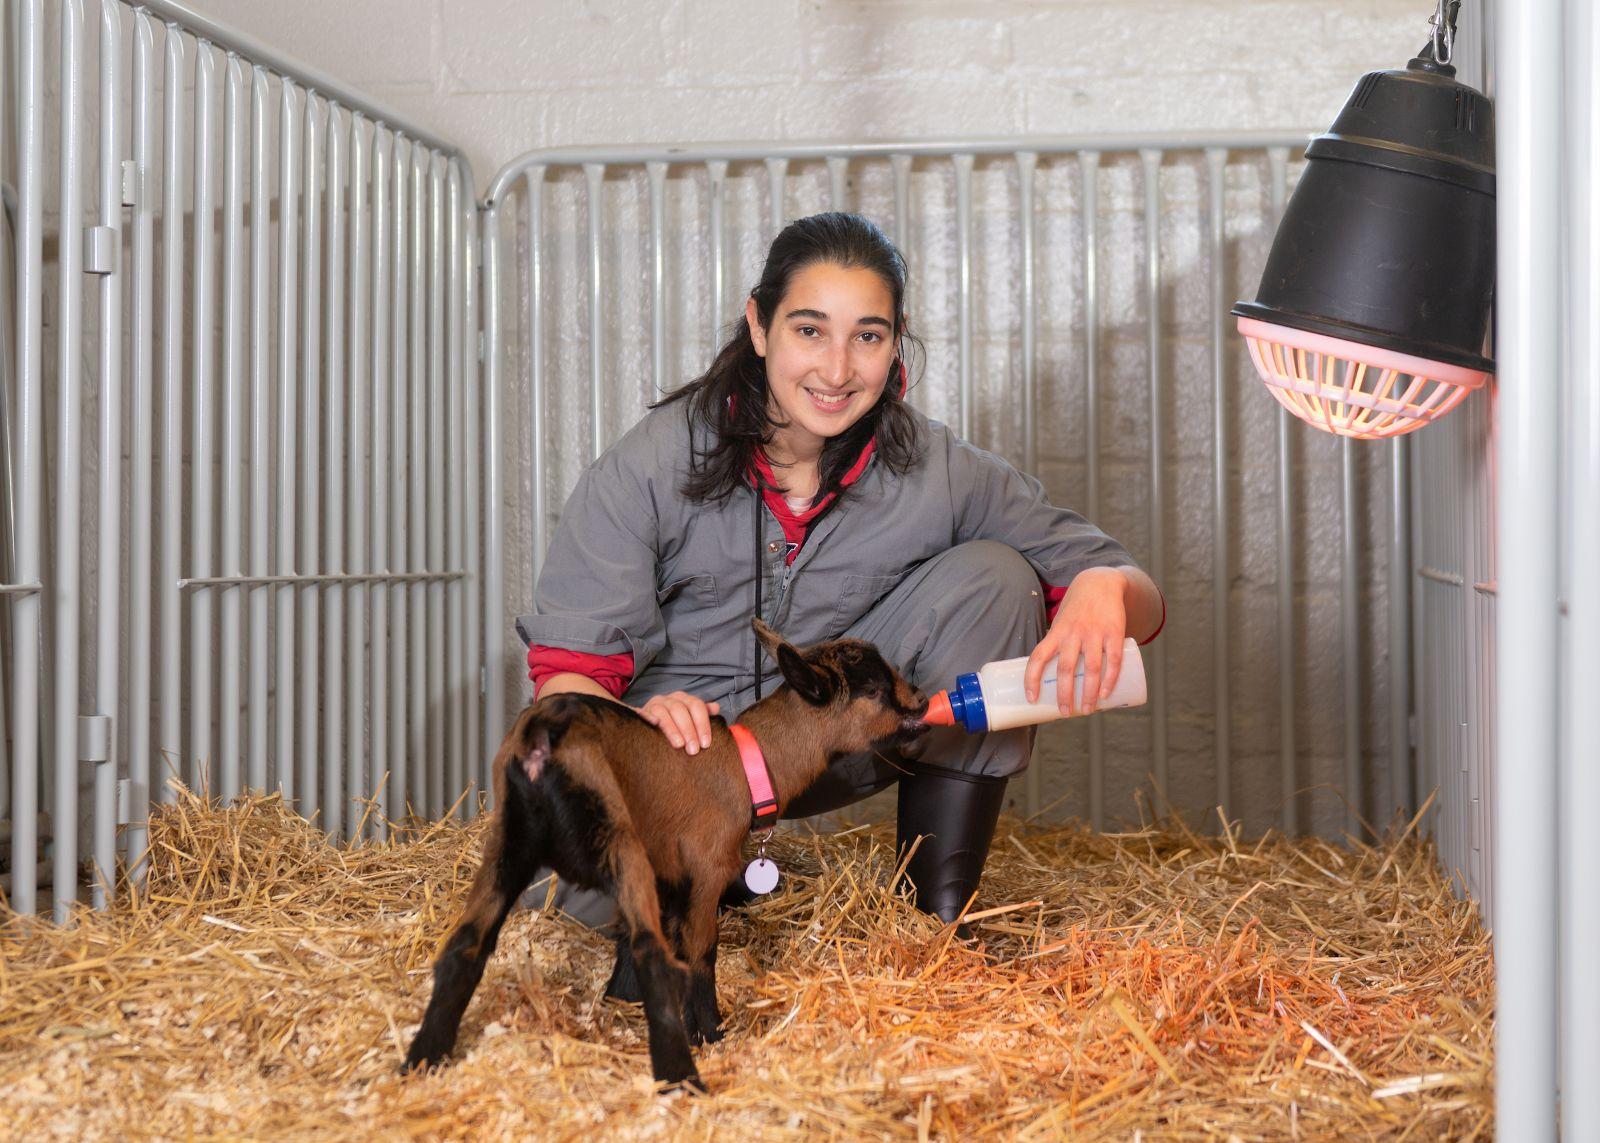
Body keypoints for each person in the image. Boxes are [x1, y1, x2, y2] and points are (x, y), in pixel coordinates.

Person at [517, 211, 1164, 939]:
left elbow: (1136, 592)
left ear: (895, 343)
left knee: (997, 576)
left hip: (818, 746)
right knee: (573, 931)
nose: (836, 370)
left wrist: (1103, 587)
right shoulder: (649, 464)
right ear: (758, 326)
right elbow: (563, 695)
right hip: (677, 768)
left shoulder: (935, 465)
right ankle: (711, 870)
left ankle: (934, 923)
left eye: (867, 336)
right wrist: (632, 727)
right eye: (809, 330)